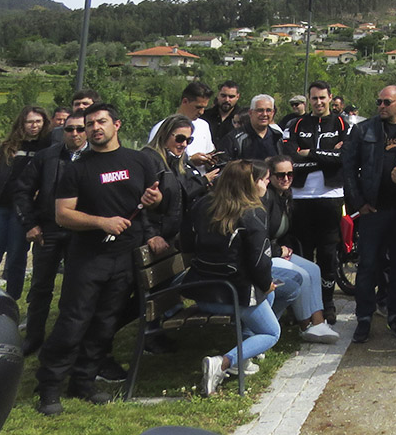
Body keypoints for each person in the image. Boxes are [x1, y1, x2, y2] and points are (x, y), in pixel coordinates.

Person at [35, 103, 164, 416]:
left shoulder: (139, 160)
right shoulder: (76, 168)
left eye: (100, 122)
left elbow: (155, 201)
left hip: (125, 256)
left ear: (116, 124)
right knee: (73, 321)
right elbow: (62, 214)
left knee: (105, 323)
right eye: (89, 123)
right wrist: (102, 222)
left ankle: (84, 380)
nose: (94, 128)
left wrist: (154, 199)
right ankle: (49, 386)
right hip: (89, 257)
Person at [182, 161, 281, 396]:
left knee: (270, 293)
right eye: (260, 179)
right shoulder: (252, 214)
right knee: (272, 332)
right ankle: (224, 363)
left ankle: (243, 360)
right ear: (249, 185)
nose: (265, 182)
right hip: (233, 293)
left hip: (201, 290)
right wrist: (267, 284)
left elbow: (185, 244)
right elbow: (259, 265)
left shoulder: (202, 205)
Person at [342, 85, 396, 343]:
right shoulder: (363, 130)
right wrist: (358, 204)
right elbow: (348, 169)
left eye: (386, 102)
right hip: (374, 209)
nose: (381, 106)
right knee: (368, 266)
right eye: (378, 101)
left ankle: (395, 315)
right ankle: (364, 318)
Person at [12, 109, 86, 356]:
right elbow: (22, 190)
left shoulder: (96, 157)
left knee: (76, 288)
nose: (74, 133)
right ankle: (33, 337)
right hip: (48, 229)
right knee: (41, 287)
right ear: (61, 130)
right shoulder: (46, 157)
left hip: (82, 232)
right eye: (69, 129)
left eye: (80, 129)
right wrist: (29, 224)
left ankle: (67, 341)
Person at [285, 81, 349, 324]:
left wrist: (309, 154)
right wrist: (325, 157)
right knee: (302, 253)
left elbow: (343, 157)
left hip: (331, 197)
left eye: (323, 98)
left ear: (330, 98)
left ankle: (327, 302)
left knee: (327, 253)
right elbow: (291, 158)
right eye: (314, 98)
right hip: (301, 197)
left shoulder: (342, 123)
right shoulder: (296, 124)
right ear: (309, 100)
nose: (319, 102)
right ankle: (302, 305)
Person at [0, 105, 50, 300]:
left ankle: (11, 302)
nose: (34, 126)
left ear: (44, 123)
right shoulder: (3, 148)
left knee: (16, 259)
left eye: (38, 121)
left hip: (23, 213)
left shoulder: (48, 150)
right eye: (29, 121)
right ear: (22, 123)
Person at [263, 156, 340, 345]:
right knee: (302, 275)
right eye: (280, 175)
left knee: (314, 269)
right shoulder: (266, 199)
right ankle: (306, 325)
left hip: (278, 250)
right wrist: (278, 250)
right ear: (270, 176)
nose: (286, 179)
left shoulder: (286, 196)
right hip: (266, 254)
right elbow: (259, 236)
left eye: (290, 174)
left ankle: (318, 322)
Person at [143, 115, 217, 253]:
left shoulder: (178, 160)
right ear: (164, 134)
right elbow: (139, 205)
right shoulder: (149, 160)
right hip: (153, 238)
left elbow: (184, 191)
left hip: (173, 237)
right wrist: (151, 235)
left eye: (189, 140)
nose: (183, 144)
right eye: (180, 138)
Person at [150, 81, 217, 166]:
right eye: (198, 107)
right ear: (185, 101)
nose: (201, 112)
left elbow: (209, 152)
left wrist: (209, 160)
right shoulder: (163, 127)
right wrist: (189, 161)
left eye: (204, 108)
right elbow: (153, 161)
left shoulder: (204, 126)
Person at [223, 94, 284, 161]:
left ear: (273, 113)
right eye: (260, 110)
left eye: (268, 110)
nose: (264, 114)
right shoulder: (234, 138)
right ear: (250, 113)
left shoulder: (277, 137)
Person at [203, 81, 241, 147]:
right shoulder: (204, 116)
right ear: (218, 95)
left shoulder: (242, 119)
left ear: (237, 97)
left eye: (231, 97)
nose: (227, 100)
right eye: (223, 96)